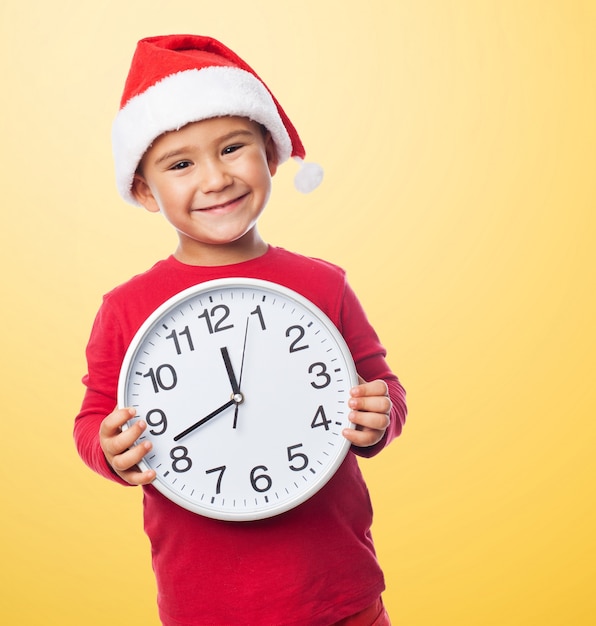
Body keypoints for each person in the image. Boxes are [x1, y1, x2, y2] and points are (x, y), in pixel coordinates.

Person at [74, 34, 407, 626]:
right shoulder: (126, 309)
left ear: (271, 154)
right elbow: (93, 417)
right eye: (180, 163)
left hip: (339, 594)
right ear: (146, 190)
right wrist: (108, 449)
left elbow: (382, 387)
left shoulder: (323, 285)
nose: (216, 177)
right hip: (206, 605)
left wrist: (379, 417)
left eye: (233, 148)